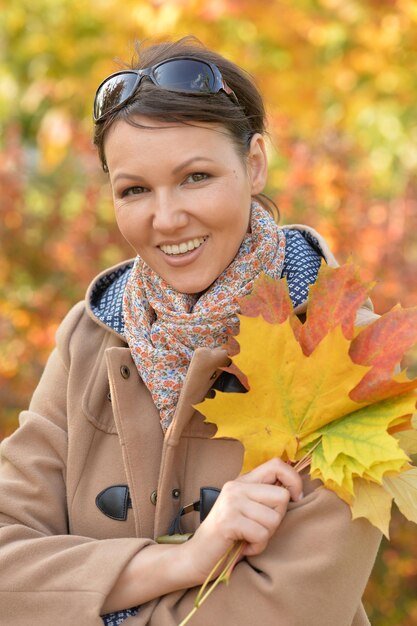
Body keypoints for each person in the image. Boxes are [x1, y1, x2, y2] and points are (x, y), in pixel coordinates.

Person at [0, 36, 381, 626]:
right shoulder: (91, 336)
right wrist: (183, 564)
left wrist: (83, 602)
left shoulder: (344, 351)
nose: (168, 217)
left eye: (196, 177)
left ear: (254, 164)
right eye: (134, 190)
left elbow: (286, 613)